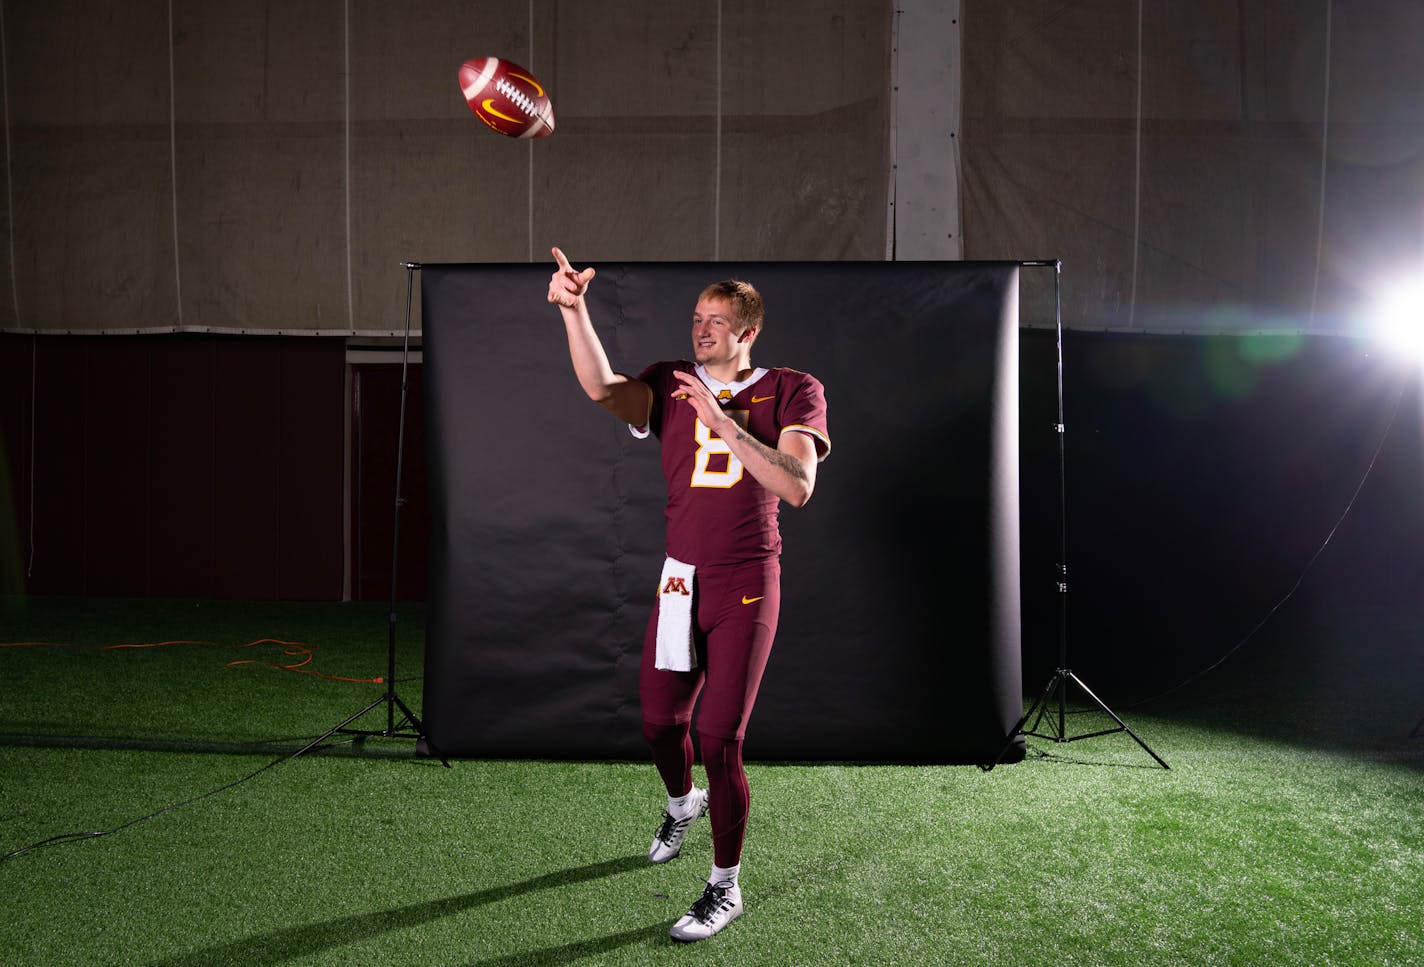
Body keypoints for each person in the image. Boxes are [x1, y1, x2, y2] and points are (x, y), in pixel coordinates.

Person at [547, 247, 830, 942]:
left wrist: (724, 419)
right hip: (682, 575)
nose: (701, 330)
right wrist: (574, 310)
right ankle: (681, 803)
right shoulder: (672, 379)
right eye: (697, 318)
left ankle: (724, 887)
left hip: (745, 577)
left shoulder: (792, 388)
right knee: (657, 721)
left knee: (719, 736)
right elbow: (603, 388)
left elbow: (796, 484)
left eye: (717, 321)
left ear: (748, 332)